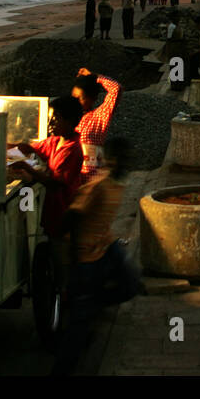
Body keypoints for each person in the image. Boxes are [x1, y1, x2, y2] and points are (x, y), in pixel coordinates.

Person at [51, 136, 141, 375]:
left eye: (127, 159)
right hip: (86, 257)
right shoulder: (98, 186)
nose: (124, 164)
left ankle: (94, 304)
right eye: (120, 159)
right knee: (79, 327)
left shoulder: (118, 183)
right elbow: (71, 216)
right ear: (109, 160)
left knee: (131, 284)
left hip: (106, 246)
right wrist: (74, 254)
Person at [8, 95, 85, 240]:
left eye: (55, 119)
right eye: (49, 118)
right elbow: (30, 148)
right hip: (52, 212)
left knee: (60, 252)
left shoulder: (72, 149)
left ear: (70, 121)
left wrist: (25, 166)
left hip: (63, 211)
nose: (50, 123)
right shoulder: (56, 141)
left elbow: (54, 183)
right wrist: (5, 145)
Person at [72, 68, 122, 185]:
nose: (76, 102)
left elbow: (116, 89)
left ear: (92, 99)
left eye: (80, 98)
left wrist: (95, 77)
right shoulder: (70, 119)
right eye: (74, 98)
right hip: (73, 179)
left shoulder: (99, 117)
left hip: (92, 181)